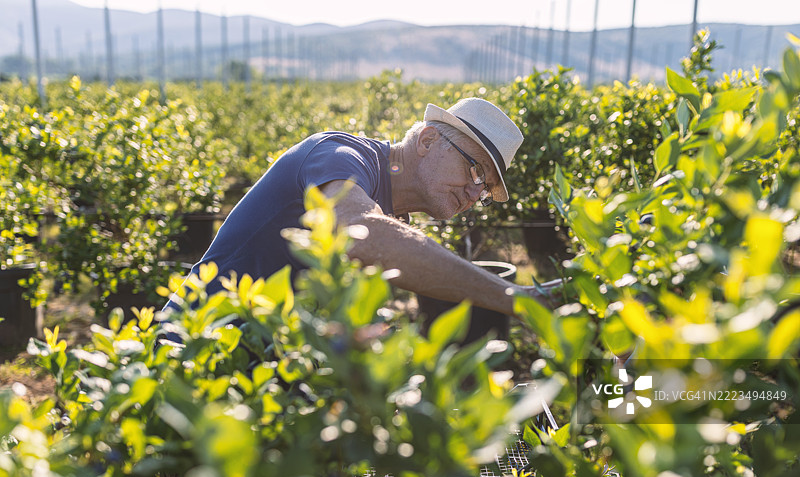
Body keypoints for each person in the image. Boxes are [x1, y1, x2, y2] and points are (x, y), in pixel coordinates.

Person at [163, 98, 561, 318]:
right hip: (198, 349)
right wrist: (516, 297)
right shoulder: (339, 155)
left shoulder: (393, 214)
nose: (476, 195)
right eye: (476, 171)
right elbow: (361, 234)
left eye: (487, 190)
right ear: (426, 141)